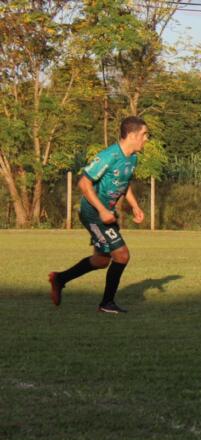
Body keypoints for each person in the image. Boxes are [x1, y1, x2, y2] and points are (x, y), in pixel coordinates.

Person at [48, 116, 149, 314]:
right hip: (93, 213)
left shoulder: (133, 158)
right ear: (131, 135)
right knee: (122, 255)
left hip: (106, 213)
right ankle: (106, 303)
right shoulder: (108, 156)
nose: (146, 138)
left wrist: (135, 206)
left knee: (101, 260)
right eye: (144, 134)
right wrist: (102, 210)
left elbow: (124, 183)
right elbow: (83, 183)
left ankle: (59, 279)